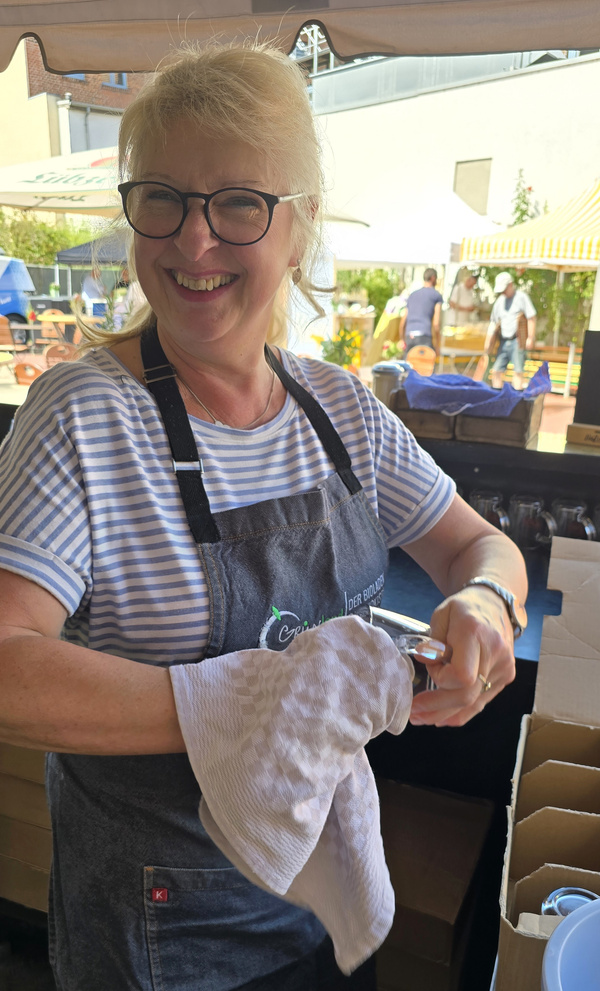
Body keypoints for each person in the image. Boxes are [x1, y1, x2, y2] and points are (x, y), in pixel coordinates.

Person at [0, 42, 527, 991]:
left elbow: (478, 544)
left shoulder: (342, 412)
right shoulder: (83, 415)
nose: (193, 242)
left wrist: (487, 605)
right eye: (160, 196)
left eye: (239, 203)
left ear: (299, 229)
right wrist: (249, 704)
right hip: (163, 936)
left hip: (326, 901)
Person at [487, 271, 536, 390]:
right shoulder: (499, 301)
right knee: (497, 370)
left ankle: (516, 397)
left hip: (517, 340)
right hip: (503, 341)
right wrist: (488, 342)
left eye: (504, 289)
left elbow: (531, 317)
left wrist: (530, 337)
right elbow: (493, 322)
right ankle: (497, 394)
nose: (503, 292)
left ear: (510, 285)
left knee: (518, 370)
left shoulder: (522, 297)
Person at [399, 268, 443, 354]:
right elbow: (436, 323)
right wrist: (438, 344)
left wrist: (402, 340)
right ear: (433, 278)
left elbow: (403, 322)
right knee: (426, 365)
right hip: (424, 335)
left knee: (410, 365)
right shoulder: (436, 295)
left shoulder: (412, 295)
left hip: (409, 335)